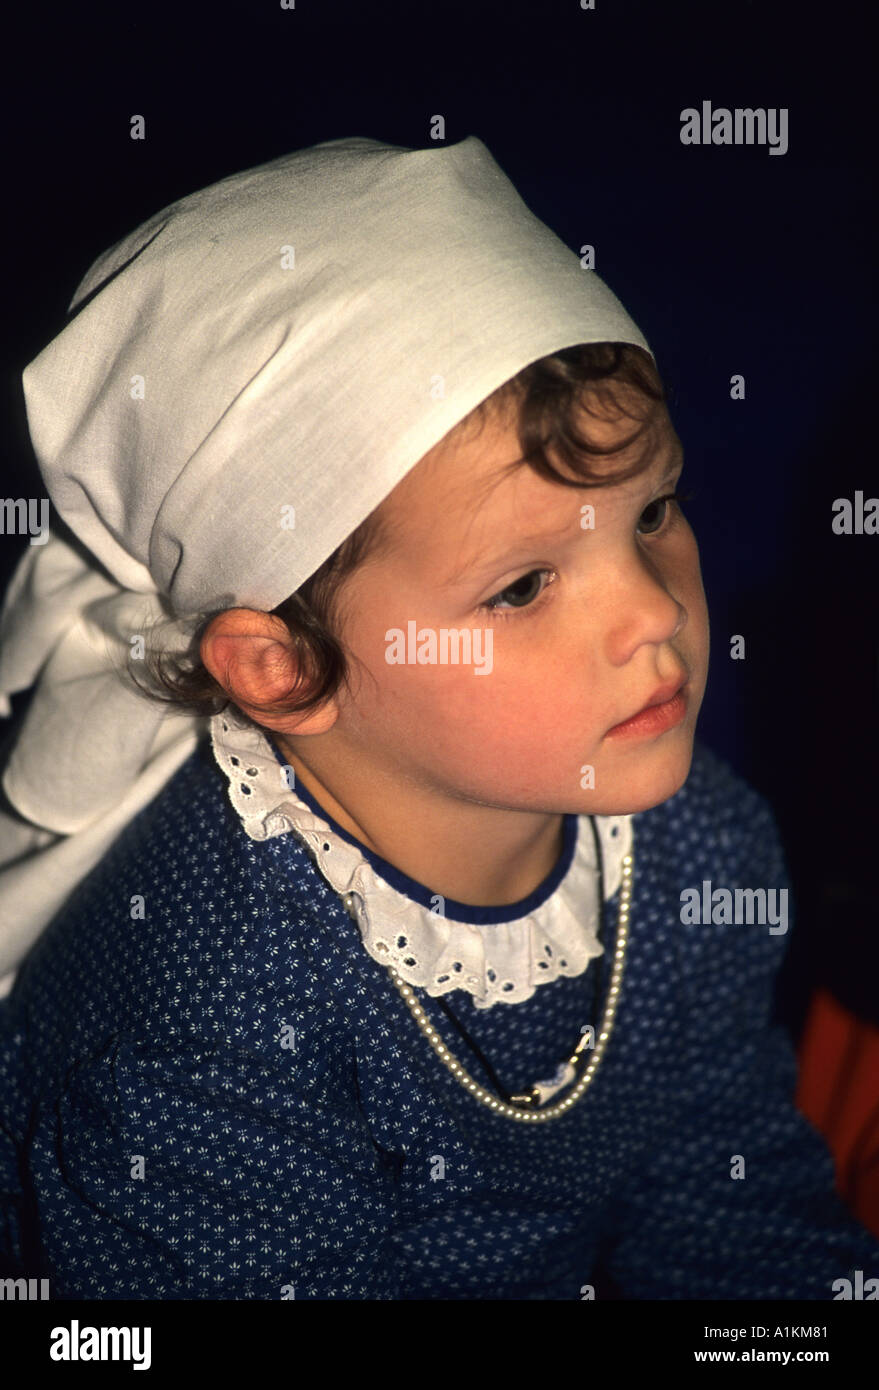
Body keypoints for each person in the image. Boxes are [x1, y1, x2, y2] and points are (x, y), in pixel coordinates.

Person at [0, 135, 876, 1300]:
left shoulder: (696, 844)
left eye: (652, 511)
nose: (655, 612)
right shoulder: (207, 1025)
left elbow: (728, 1203)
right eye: (523, 586)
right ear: (284, 670)